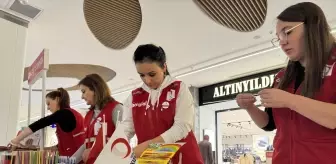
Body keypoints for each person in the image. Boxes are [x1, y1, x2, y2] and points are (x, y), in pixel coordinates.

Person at [236, 2, 336, 164]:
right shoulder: (282, 76)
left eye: (287, 32)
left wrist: (289, 100)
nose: (282, 42)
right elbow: (269, 123)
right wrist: (250, 107)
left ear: (312, 26)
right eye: (278, 38)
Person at [122, 44, 203, 164]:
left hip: (182, 158)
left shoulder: (178, 89)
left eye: (152, 74)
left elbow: (182, 126)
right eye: (142, 75)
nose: (147, 80)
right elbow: (127, 128)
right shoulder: (134, 96)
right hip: (152, 160)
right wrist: (113, 150)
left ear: (164, 67)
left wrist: (150, 146)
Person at [9, 88, 85, 156]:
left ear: (58, 99)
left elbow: (39, 124)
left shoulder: (64, 113)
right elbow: (60, 147)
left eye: (48, 103)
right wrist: (36, 149)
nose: (48, 108)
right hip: (73, 157)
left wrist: (15, 140)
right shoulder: (69, 116)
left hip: (75, 159)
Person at [73, 73, 123, 164]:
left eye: (84, 91)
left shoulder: (116, 108)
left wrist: (95, 152)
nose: (82, 97)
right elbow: (86, 145)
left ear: (95, 90)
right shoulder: (88, 115)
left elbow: (123, 142)